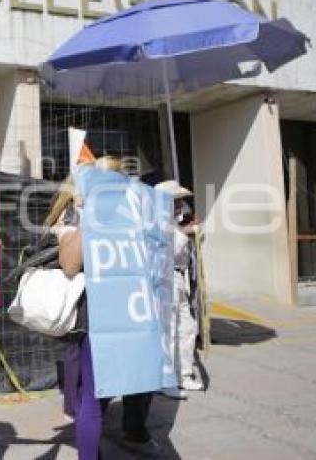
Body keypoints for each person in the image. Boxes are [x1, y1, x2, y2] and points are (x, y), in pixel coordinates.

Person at [54, 156, 162, 459]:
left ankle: (134, 431)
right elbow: (70, 265)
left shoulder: (135, 212)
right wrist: (88, 216)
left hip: (136, 312)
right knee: (94, 393)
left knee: (134, 382)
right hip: (99, 319)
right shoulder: (75, 216)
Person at [156, 180, 204, 399]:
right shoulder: (157, 224)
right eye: (176, 200)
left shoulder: (174, 222)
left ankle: (184, 374)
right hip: (166, 279)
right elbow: (169, 250)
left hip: (180, 279)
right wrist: (187, 233)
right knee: (169, 330)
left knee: (187, 327)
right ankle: (166, 379)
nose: (181, 204)